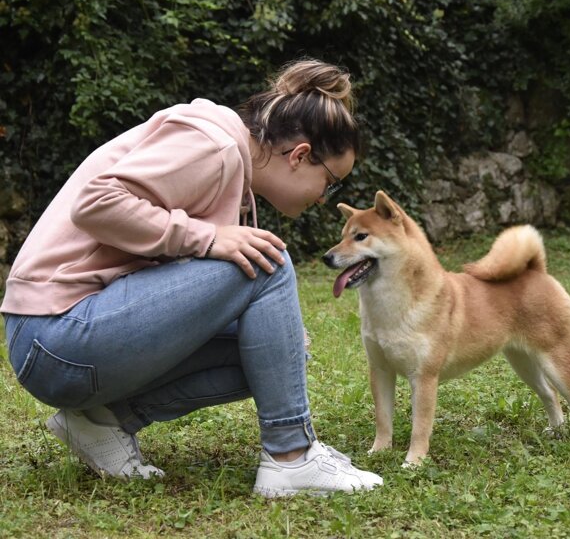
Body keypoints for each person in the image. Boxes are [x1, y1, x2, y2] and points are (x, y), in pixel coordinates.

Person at [1, 59, 383, 497]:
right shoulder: (212, 146)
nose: (323, 199)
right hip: (55, 335)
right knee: (269, 260)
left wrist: (280, 335)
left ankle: (102, 421)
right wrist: (206, 237)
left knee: (281, 350)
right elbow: (96, 202)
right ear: (299, 155)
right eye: (330, 183)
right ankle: (291, 455)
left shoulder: (228, 161)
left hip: (68, 342)